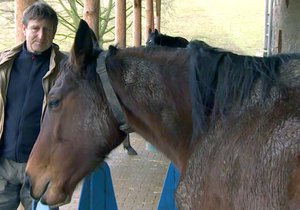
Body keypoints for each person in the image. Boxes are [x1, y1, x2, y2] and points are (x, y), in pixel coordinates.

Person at [0, 2, 66, 210]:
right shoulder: (3, 64)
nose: (41, 35)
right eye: (35, 28)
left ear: (54, 33)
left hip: (43, 168)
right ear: (24, 29)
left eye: (47, 29)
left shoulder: (68, 70)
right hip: (3, 166)